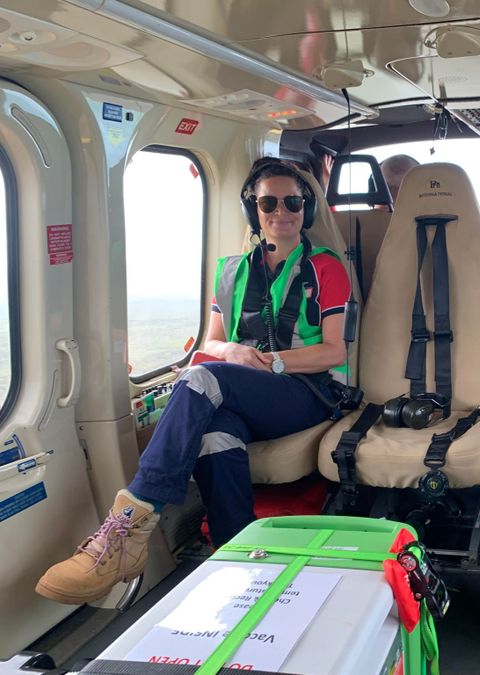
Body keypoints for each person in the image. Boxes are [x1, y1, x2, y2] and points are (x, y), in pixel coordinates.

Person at [36, 159, 351, 605]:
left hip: (308, 392)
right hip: (246, 389)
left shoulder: (326, 268)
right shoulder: (230, 272)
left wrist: (272, 362)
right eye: (268, 202)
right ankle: (237, 560)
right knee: (214, 435)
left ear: (306, 210)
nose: (282, 210)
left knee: (200, 378)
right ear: (253, 211)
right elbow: (213, 342)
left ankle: (130, 523)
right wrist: (236, 353)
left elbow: (335, 352)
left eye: (293, 201)